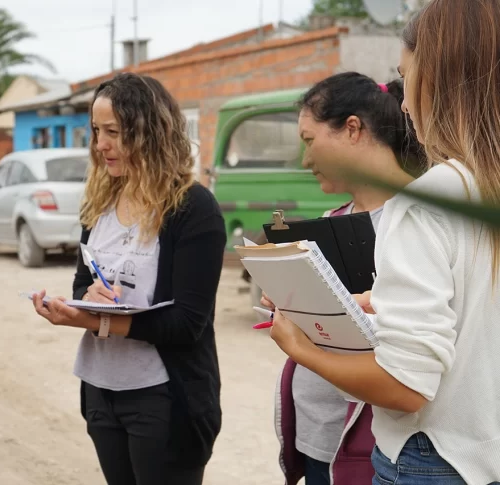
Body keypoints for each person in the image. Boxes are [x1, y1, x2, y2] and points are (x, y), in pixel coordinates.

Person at [268, 0, 500, 483]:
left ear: (437, 77)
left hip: (430, 459)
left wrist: (301, 348)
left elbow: (405, 386)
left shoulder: (427, 201)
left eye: (406, 75)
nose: (405, 103)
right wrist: (383, 301)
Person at [30, 72, 226, 485]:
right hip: (101, 390)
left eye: (114, 132)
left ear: (149, 132)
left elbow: (188, 323)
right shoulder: (101, 200)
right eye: (97, 131)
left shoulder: (193, 208)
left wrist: (95, 320)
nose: (100, 145)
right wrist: (89, 297)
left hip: (165, 399)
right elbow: (82, 284)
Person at [260, 72, 424, 485]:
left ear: (353, 129)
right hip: (319, 443)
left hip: (377, 451)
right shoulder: (330, 226)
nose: (305, 161)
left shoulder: (423, 225)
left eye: (310, 141)